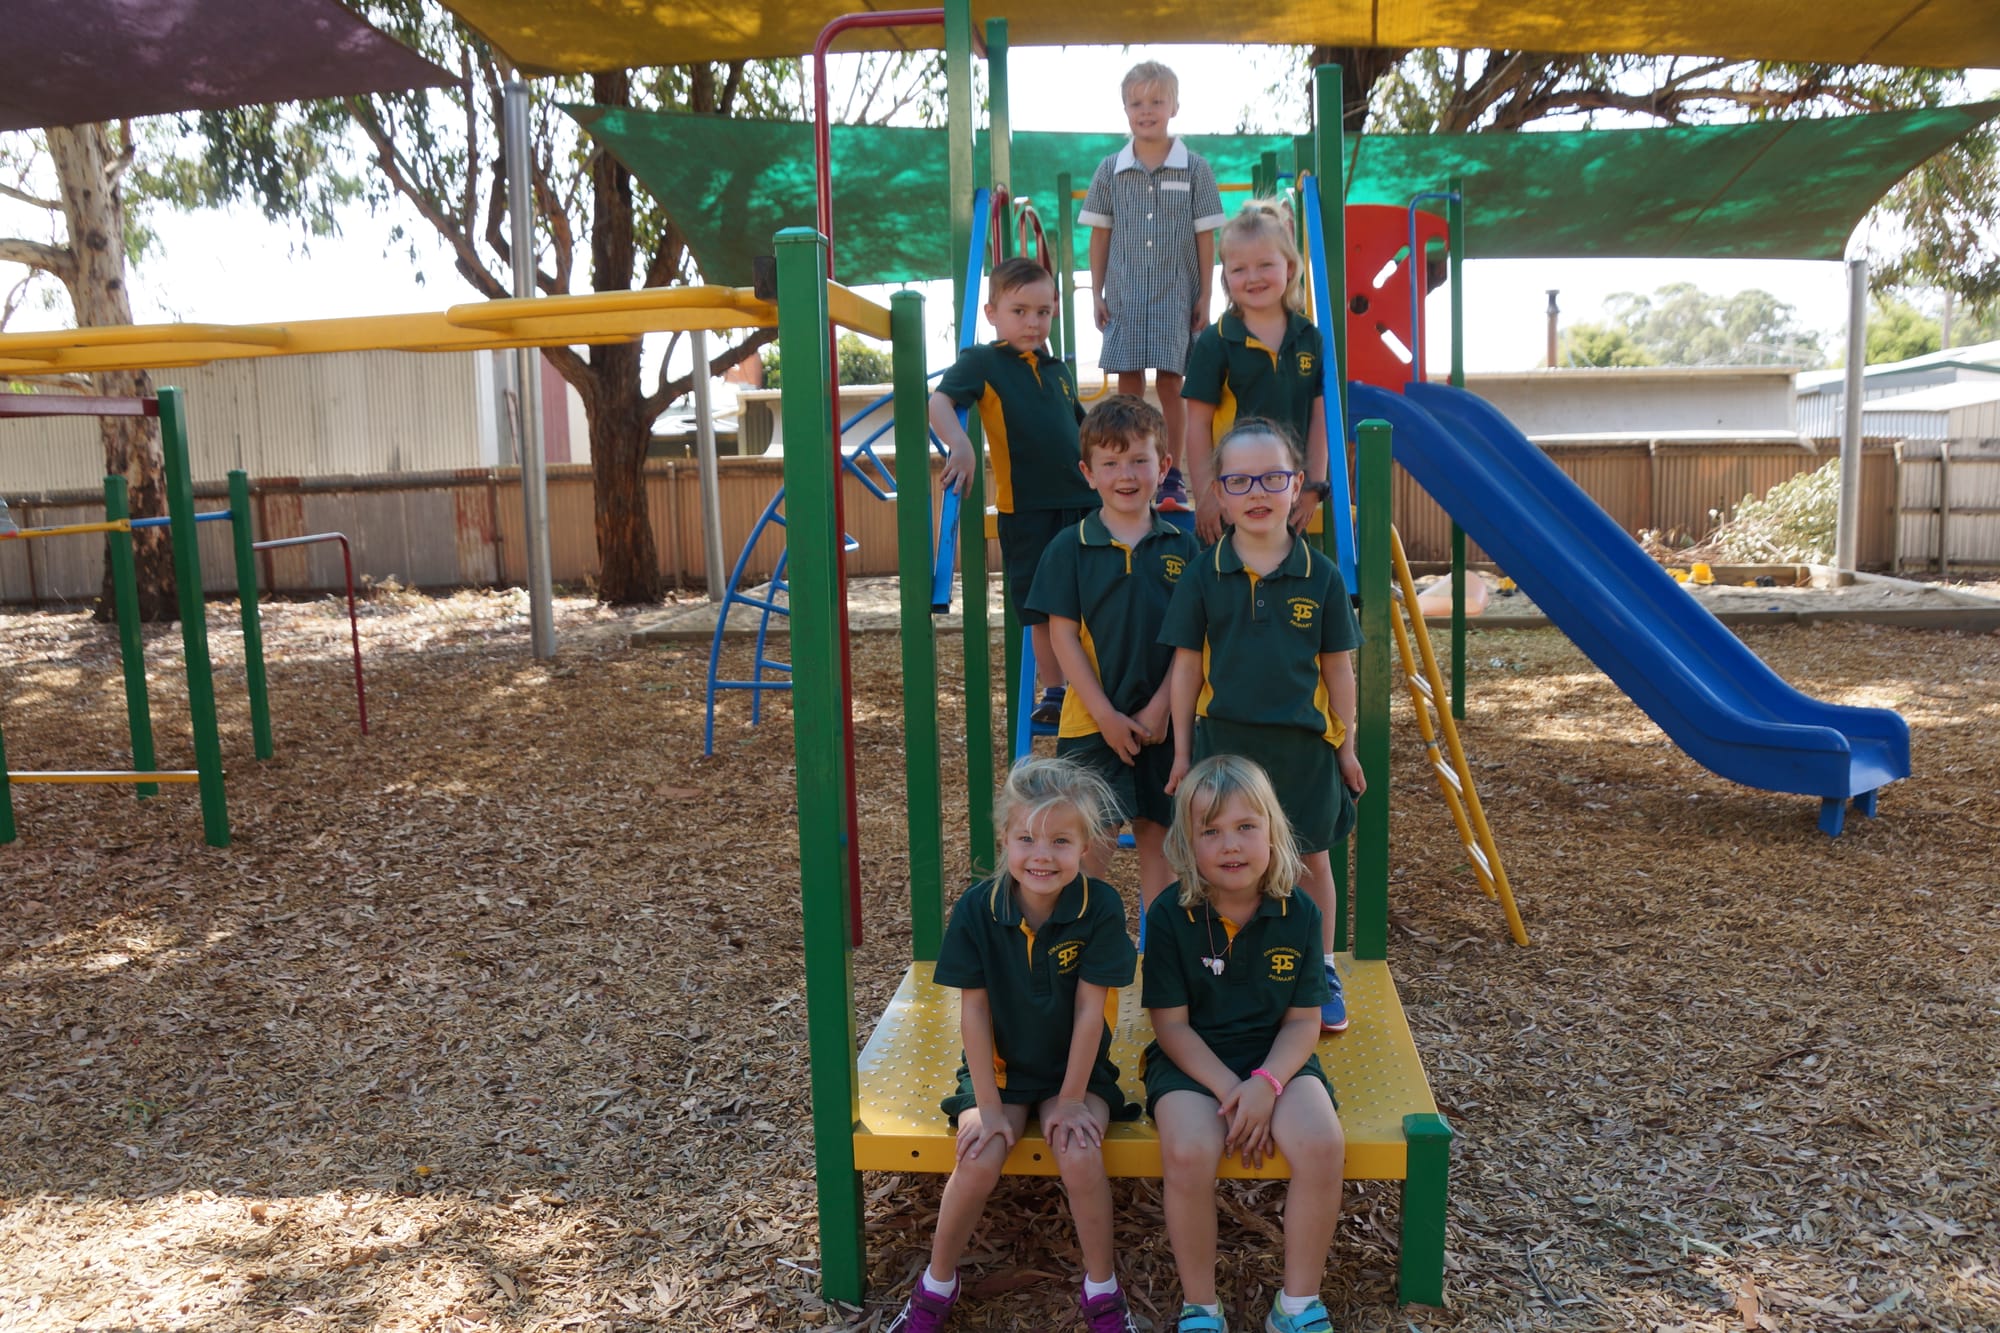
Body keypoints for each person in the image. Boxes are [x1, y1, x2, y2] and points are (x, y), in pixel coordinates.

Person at [887, 758, 1144, 1333]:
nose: (1041, 855)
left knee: (1078, 1151)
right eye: (1026, 838)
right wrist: (987, 1103)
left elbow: (1089, 1011)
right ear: (1004, 840)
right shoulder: (979, 909)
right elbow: (973, 1013)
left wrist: (1074, 1098)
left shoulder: (1098, 907)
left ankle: (1101, 1290)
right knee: (977, 1157)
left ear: (1085, 847)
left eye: (1060, 841)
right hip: (998, 1071)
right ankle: (937, 1285)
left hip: (1073, 1074)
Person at [1159, 419, 1364, 1033]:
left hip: (1302, 747)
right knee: (1220, 865)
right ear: (1219, 493)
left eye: (1273, 478)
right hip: (1228, 748)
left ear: (1297, 485)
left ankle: (1319, 966)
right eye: (1240, 480)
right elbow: (1186, 670)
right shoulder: (1203, 573)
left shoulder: (1321, 574)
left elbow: (1339, 671)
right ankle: (1226, 971)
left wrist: (1347, 744)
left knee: (1309, 862)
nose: (1257, 492)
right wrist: (1181, 754)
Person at [1141, 754, 1346, 1333]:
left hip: (1276, 1057)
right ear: (1187, 844)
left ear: (1273, 832)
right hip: (1194, 1061)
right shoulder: (1169, 915)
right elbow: (1171, 1026)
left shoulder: (1298, 911)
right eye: (1211, 831)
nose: (1231, 845)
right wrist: (1233, 1089)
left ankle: (1298, 1305)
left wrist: (1267, 1083)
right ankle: (1201, 1306)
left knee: (1322, 1143)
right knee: (1188, 1150)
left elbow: (1304, 1021)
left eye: (1246, 827)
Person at [1027, 394, 1200, 917]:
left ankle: (1162, 965)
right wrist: (1104, 715)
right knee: (1088, 846)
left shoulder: (1183, 547)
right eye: (1110, 462)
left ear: (1163, 466)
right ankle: (1077, 962)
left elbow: (1192, 642)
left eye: (1139, 460)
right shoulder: (1069, 548)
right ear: (1088, 472)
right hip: (1090, 725)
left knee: (1161, 842)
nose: (1126, 474)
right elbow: (1062, 639)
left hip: (1164, 725)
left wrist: (1159, 710)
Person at [932, 257, 1099, 727]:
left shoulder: (1058, 370)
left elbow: (1083, 429)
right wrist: (960, 444)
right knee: (1041, 604)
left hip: (1084, 501)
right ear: (992, 313)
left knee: (1093, 595)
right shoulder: (983, 362)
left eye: (1043, 312)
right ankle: (1055, 690)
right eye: (1020, 311)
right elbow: (940, 401)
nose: (1033, 322)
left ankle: (1101, 680)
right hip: (1027, 507)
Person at [1078, 60, 1225, 515]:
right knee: (1127, 385)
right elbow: (1100, 234)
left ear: (1174, 107)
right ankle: (1125, 464)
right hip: (1125, 295)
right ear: (1124, 109)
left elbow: (1206, 235)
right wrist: (1098, 291)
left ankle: (1172, 473)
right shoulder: (1110, 170)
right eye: (1137, 103)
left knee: (1172, 383)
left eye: (1156, 101)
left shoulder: (1194, 168)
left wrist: (1204, 294)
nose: (1146, 111)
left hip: (1175, 294)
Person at [1182, 201, 1331, 546]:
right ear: (1225, 277)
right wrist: (1206, 494)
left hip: (1288, 493)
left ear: (1290, 268)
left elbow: (1320, 419)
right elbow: (1198, 424)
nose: (1253, 277)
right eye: (1239, 269)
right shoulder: (1217, 340)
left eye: (1265, 265)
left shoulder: (1309, 337)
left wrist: (1313, 485)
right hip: (1236, 495)